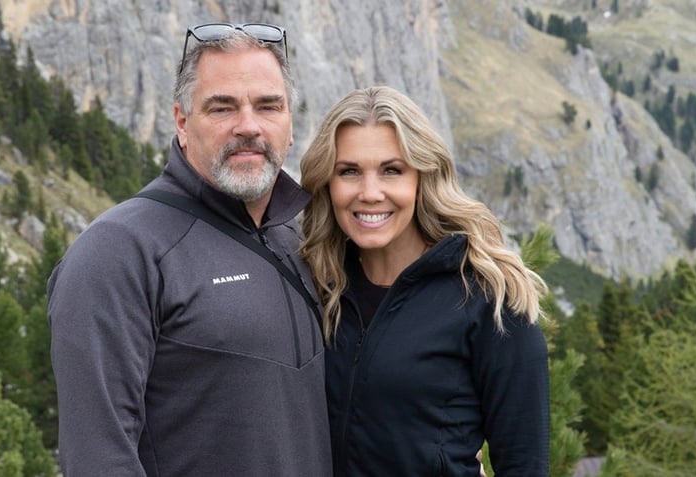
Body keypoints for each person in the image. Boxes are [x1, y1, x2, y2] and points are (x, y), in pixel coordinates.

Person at [47, 23, 331, 476]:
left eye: (268, 106)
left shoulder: (298, 242)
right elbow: (98, 457)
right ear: (182, 121)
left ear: (289, 123)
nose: (248, 126)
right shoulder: (117, 251)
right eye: (222, 108)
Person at [299, 85, 550, 476]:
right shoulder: (317, 284)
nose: (369, 193)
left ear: (423, 177)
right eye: (348, 171)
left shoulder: (489, 297)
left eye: (391, 170)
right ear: (327, 184)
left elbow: (524, 464)